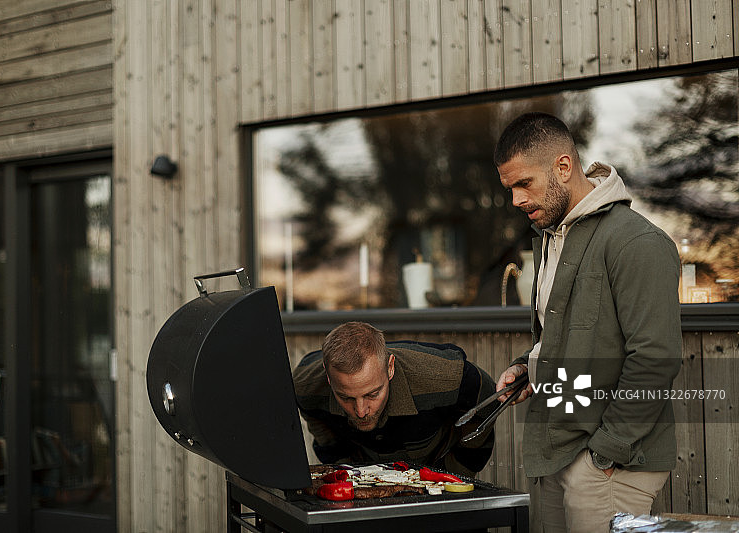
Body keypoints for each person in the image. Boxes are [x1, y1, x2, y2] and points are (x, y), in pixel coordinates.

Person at [493, 112, 681, 532]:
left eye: (524, 184)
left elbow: (656, 358)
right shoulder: (551, 238)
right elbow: (569, 333)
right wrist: (529, 365)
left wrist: (604, 454)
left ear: (563, 167)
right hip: (556, 447)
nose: (516, 200)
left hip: (608, 463)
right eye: (509, 189)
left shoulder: (636, 242)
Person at [292, 321, 497, 477]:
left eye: (372, 394)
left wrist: (451, 474)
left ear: (390, 368)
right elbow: (322, 434)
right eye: (346, 397)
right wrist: (352, 476)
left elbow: (487, 399)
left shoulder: (445, 376)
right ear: (328, 378)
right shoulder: (305, 386)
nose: (361, 411)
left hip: (437, 469)